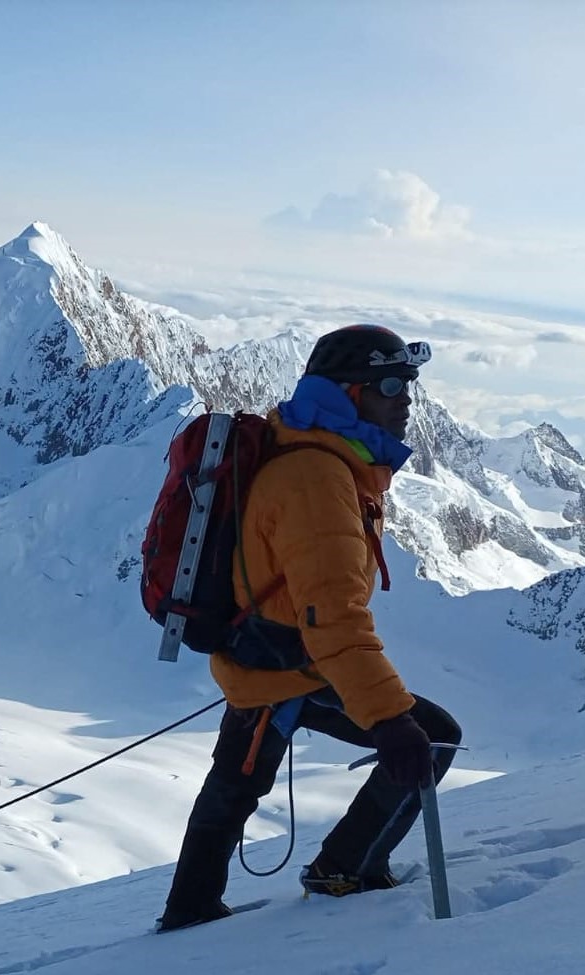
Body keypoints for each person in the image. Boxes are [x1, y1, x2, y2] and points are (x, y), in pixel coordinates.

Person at [158, 325, 462, 931]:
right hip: (284, 662)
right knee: (427, 737)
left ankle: (190, 910)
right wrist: (389, 719)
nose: (406, 400)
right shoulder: (320, 479)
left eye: (409, 385)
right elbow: (333, 617)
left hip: (266, 651)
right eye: (391, 386)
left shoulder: (313, 449)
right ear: (350, 396)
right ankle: (343, 871)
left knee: (235, 786)